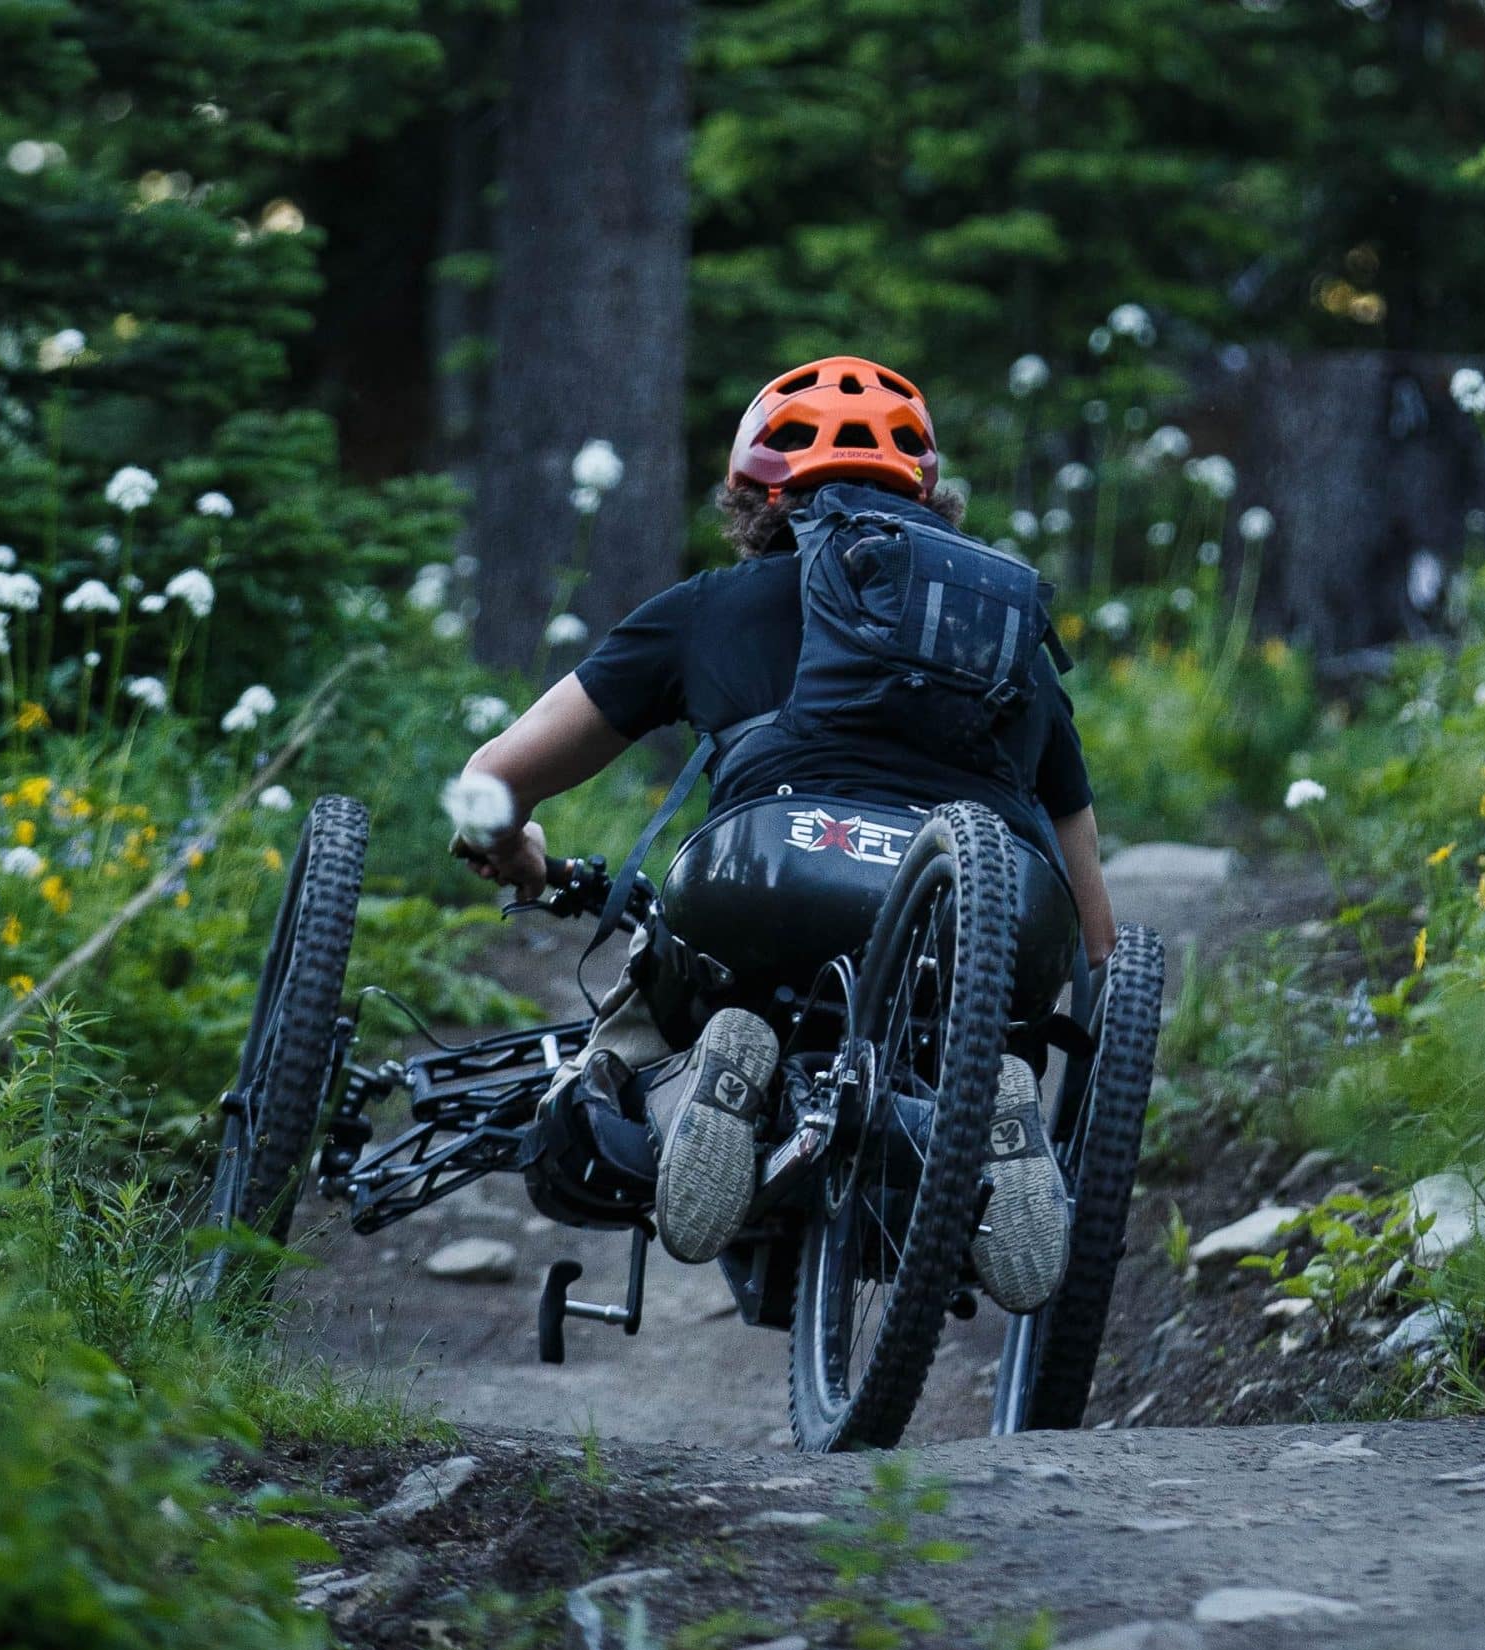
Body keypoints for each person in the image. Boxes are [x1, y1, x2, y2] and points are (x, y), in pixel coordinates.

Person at [451, 355, 1116, 1310]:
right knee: (979, 1009)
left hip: (769, 870)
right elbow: (1096, 935)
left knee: (654, 1009)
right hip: (987, 910)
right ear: (932, 494)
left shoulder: (710, 607)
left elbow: (489, 782)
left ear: (752, 494)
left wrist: (516, 853)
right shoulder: (1009, 636)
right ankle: (989, 1103)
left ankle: (711, 1070)